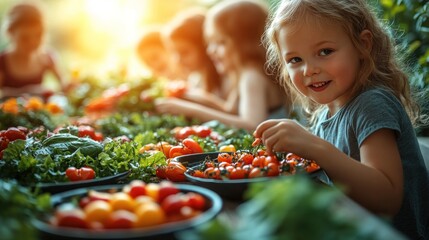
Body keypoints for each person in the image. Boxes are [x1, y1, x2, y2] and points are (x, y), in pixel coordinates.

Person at [253, 0, 429, 239]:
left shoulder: (372, 104)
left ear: (362, 45)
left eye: (325, 52)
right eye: (295, 60)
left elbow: (387, 198)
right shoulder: (325, 114)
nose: (309, 70)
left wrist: (314, 146)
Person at [155, 0, 290, 132]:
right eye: (211, 42)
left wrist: (190, 110)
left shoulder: (252, 76)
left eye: (220, 42)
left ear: (244, 42)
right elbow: (231, 111)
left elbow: (252, 125)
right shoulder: (243, 73)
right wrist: (198, 97)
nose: (210, 50)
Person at [0, 1, 67, 99]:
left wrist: (69, 87)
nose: (33, 43)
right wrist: (30, 91)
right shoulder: (2, 62)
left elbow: (64, 86)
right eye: (25, 38)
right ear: (10, 33)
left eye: (38, 36)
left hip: (38, 113)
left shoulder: (47, 58)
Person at [161, 8, 225, 109]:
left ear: (204, 47)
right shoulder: (195, 79)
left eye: (184, 52)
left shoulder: (225, 81)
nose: (178, 60)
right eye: (174, 52)